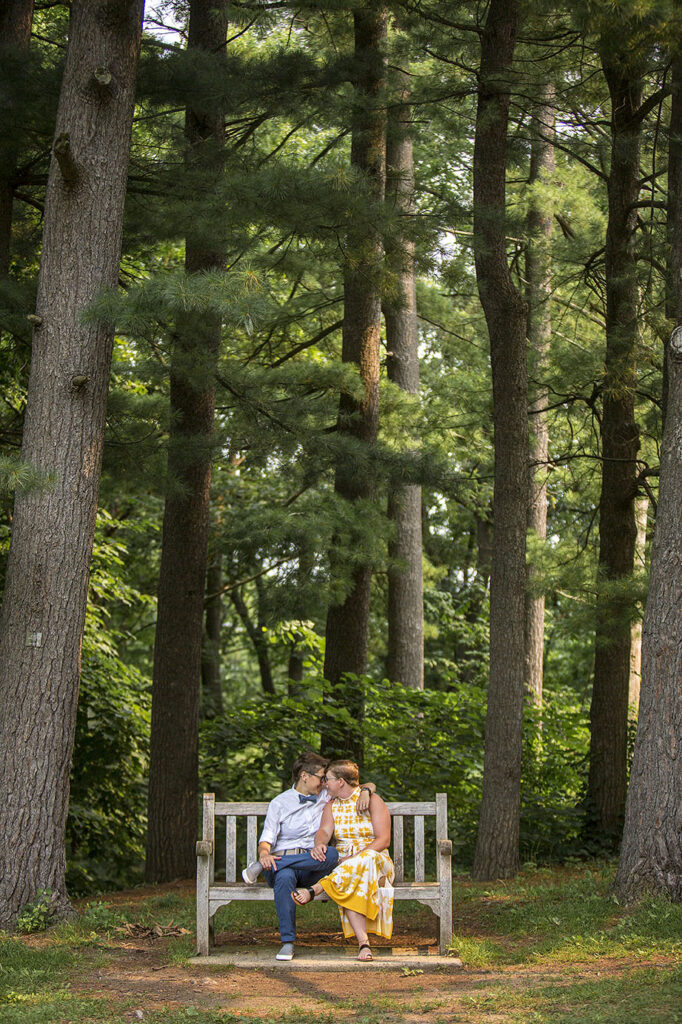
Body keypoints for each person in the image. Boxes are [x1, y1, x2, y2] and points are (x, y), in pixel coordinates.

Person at [250, 751, 374, 961]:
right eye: (321, 777)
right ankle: (288, 943)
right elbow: (266, 842)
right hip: (279, 864)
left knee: (332, 854)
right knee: (284, 876)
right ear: (304, 776)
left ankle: (260, 868)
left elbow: (358, 785)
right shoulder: (279, 803)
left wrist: (366, 791)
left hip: (310, 865)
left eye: (326, 778)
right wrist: (264, 855)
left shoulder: (326, 795)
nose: (324, 782)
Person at [292, 759, 394, 962]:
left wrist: (353, 858)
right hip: (346, 868)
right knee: (352, 876)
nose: (324, 783)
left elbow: (383, 840)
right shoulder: (331, 805)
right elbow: (324, 831)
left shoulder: (372, 800)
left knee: (366, 860)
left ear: (340, 781)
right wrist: (320, 843)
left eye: (327, 779)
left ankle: (317, 889)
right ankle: (363, 944)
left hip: (377, 861)